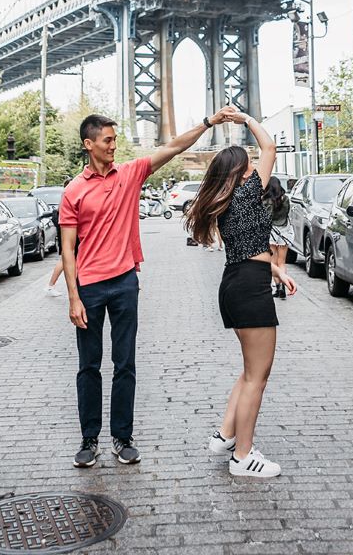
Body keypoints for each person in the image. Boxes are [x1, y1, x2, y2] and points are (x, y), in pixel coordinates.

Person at [60, 106, 242, 471]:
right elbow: (67, 248)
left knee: (125, 364)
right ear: (89, 144)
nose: (114, 146)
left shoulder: (130, 174)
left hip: (126, 282)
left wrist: (208, 122)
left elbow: (173, 147)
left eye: (114, 140)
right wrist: (73, 297)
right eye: (108, 141)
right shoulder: (74, 191)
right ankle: (88, 440)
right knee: (88, 367)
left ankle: (122, 438)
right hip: (90, 288)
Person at [185, 114, 296, 479]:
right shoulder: (247, 193)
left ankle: (225, 436)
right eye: (248, 168)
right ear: (238, 174)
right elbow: (270, 146)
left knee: (249, 372)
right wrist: (246, 118)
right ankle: (243, 457)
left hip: (236, 281)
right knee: (257, 378)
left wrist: (277, 270)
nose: (253, 172)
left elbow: (249, 247)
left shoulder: (228, 202)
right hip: (249, 287)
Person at [264, 176, 291, 300]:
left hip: (272, 233)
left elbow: (267, 218)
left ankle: (278, 287)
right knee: (282, 262)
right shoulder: (285, 199)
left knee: (273, 261)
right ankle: (284, 287)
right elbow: (288, 214)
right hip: (284, 232)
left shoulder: (267, 201)